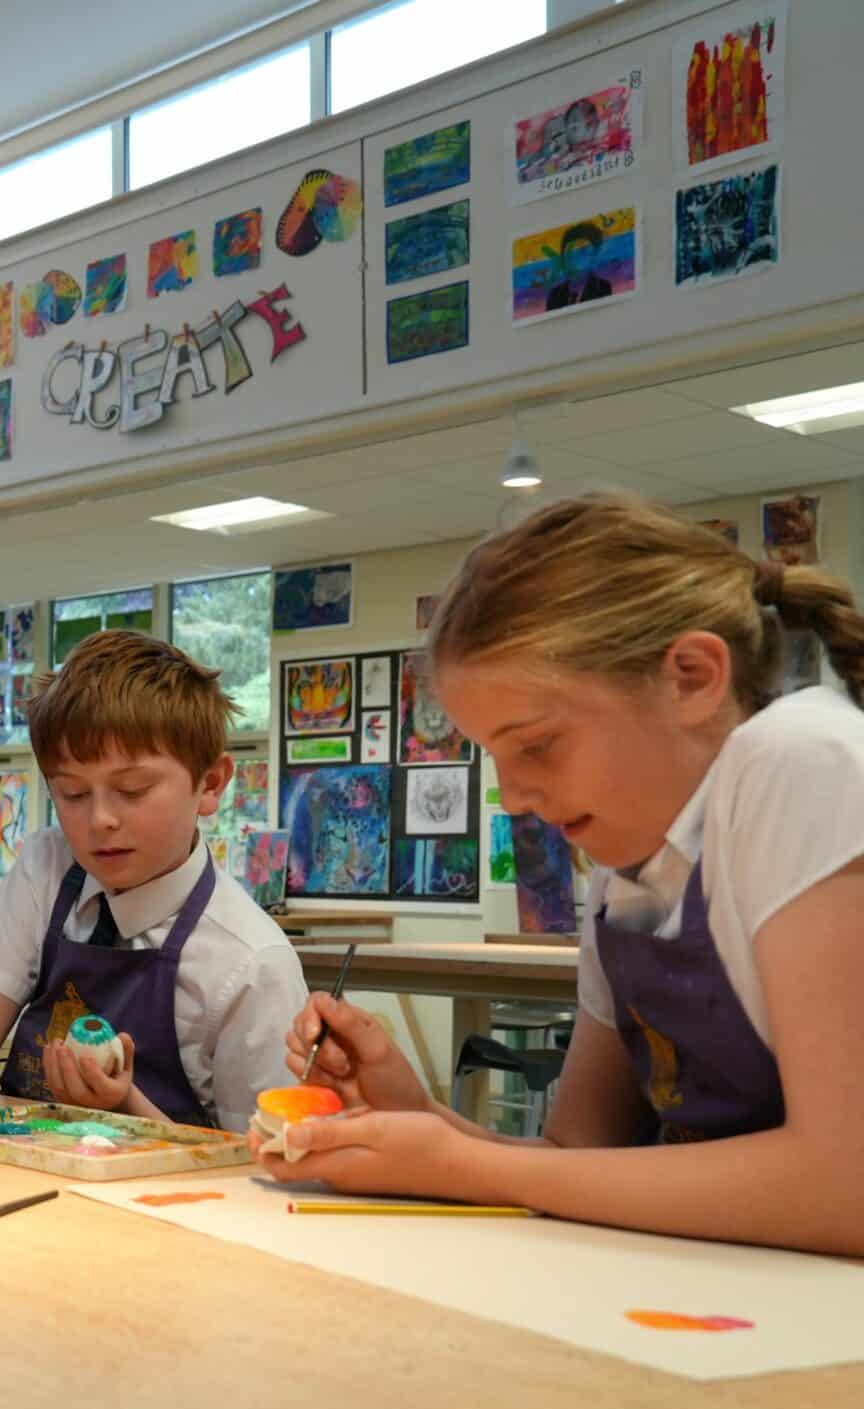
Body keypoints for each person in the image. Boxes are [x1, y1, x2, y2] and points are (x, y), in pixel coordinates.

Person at [265, 496, 864, 1257]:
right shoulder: (629, 868)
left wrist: (462, 1164)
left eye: (538, 745)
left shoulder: (805, 761)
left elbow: (845, 1184)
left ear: (691, 677)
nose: (514, 796)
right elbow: (575, 1158)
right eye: (496, 756)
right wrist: (411, 1116)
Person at [0, 631, 305, 1132]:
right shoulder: (47, 868)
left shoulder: (252, 966)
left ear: (211, 783)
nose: (100, 820)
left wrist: (123, 1108)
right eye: (71, 794)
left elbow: (260, 1163)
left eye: (132, 790)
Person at [545, 221, 615, 312]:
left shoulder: (603, 288)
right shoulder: (555, 294)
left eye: (583, 249)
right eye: (570, 251)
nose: (575, 256)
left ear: (594, 254)